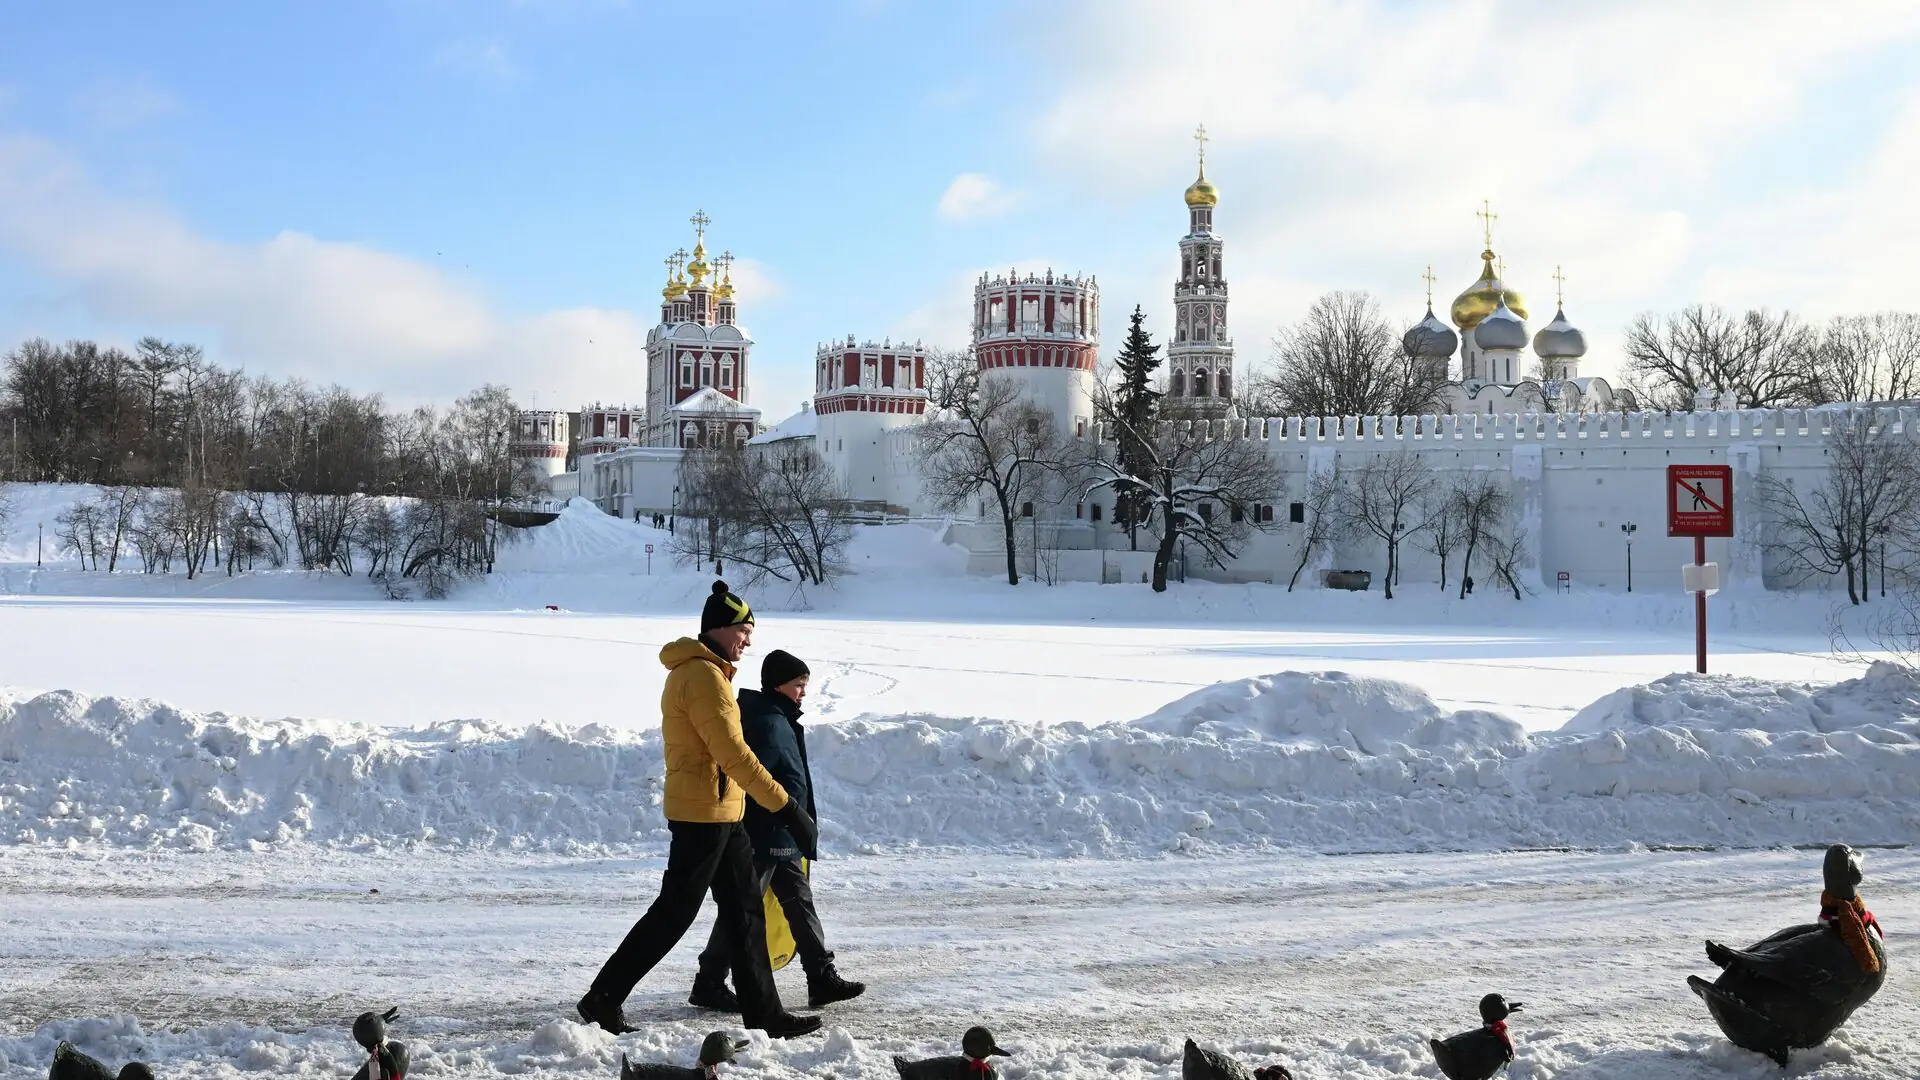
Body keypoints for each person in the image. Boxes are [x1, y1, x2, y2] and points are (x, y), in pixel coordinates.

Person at [577, 581, 823, 1040]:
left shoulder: (710, 673)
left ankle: (765, 1014)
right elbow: (734, 754)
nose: (747, 641)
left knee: (745, 912)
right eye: (743, 631)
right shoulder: (703, 677)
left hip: (723, 812)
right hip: (703, 816)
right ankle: (603, 997)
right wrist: (788, 808)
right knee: (675, 912)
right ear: (720, 628)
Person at [689, 650, 865, 1012]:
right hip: (764, 834)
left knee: (799, 902)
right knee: (743, 907)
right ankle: (709, 981)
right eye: (798, 684)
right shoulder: (767, 722)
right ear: (778, 684)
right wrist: (779, 819)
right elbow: (752, 779)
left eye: (805, 684)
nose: (804, 692)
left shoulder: (777, 717)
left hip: (781, 833)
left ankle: (820, 976)